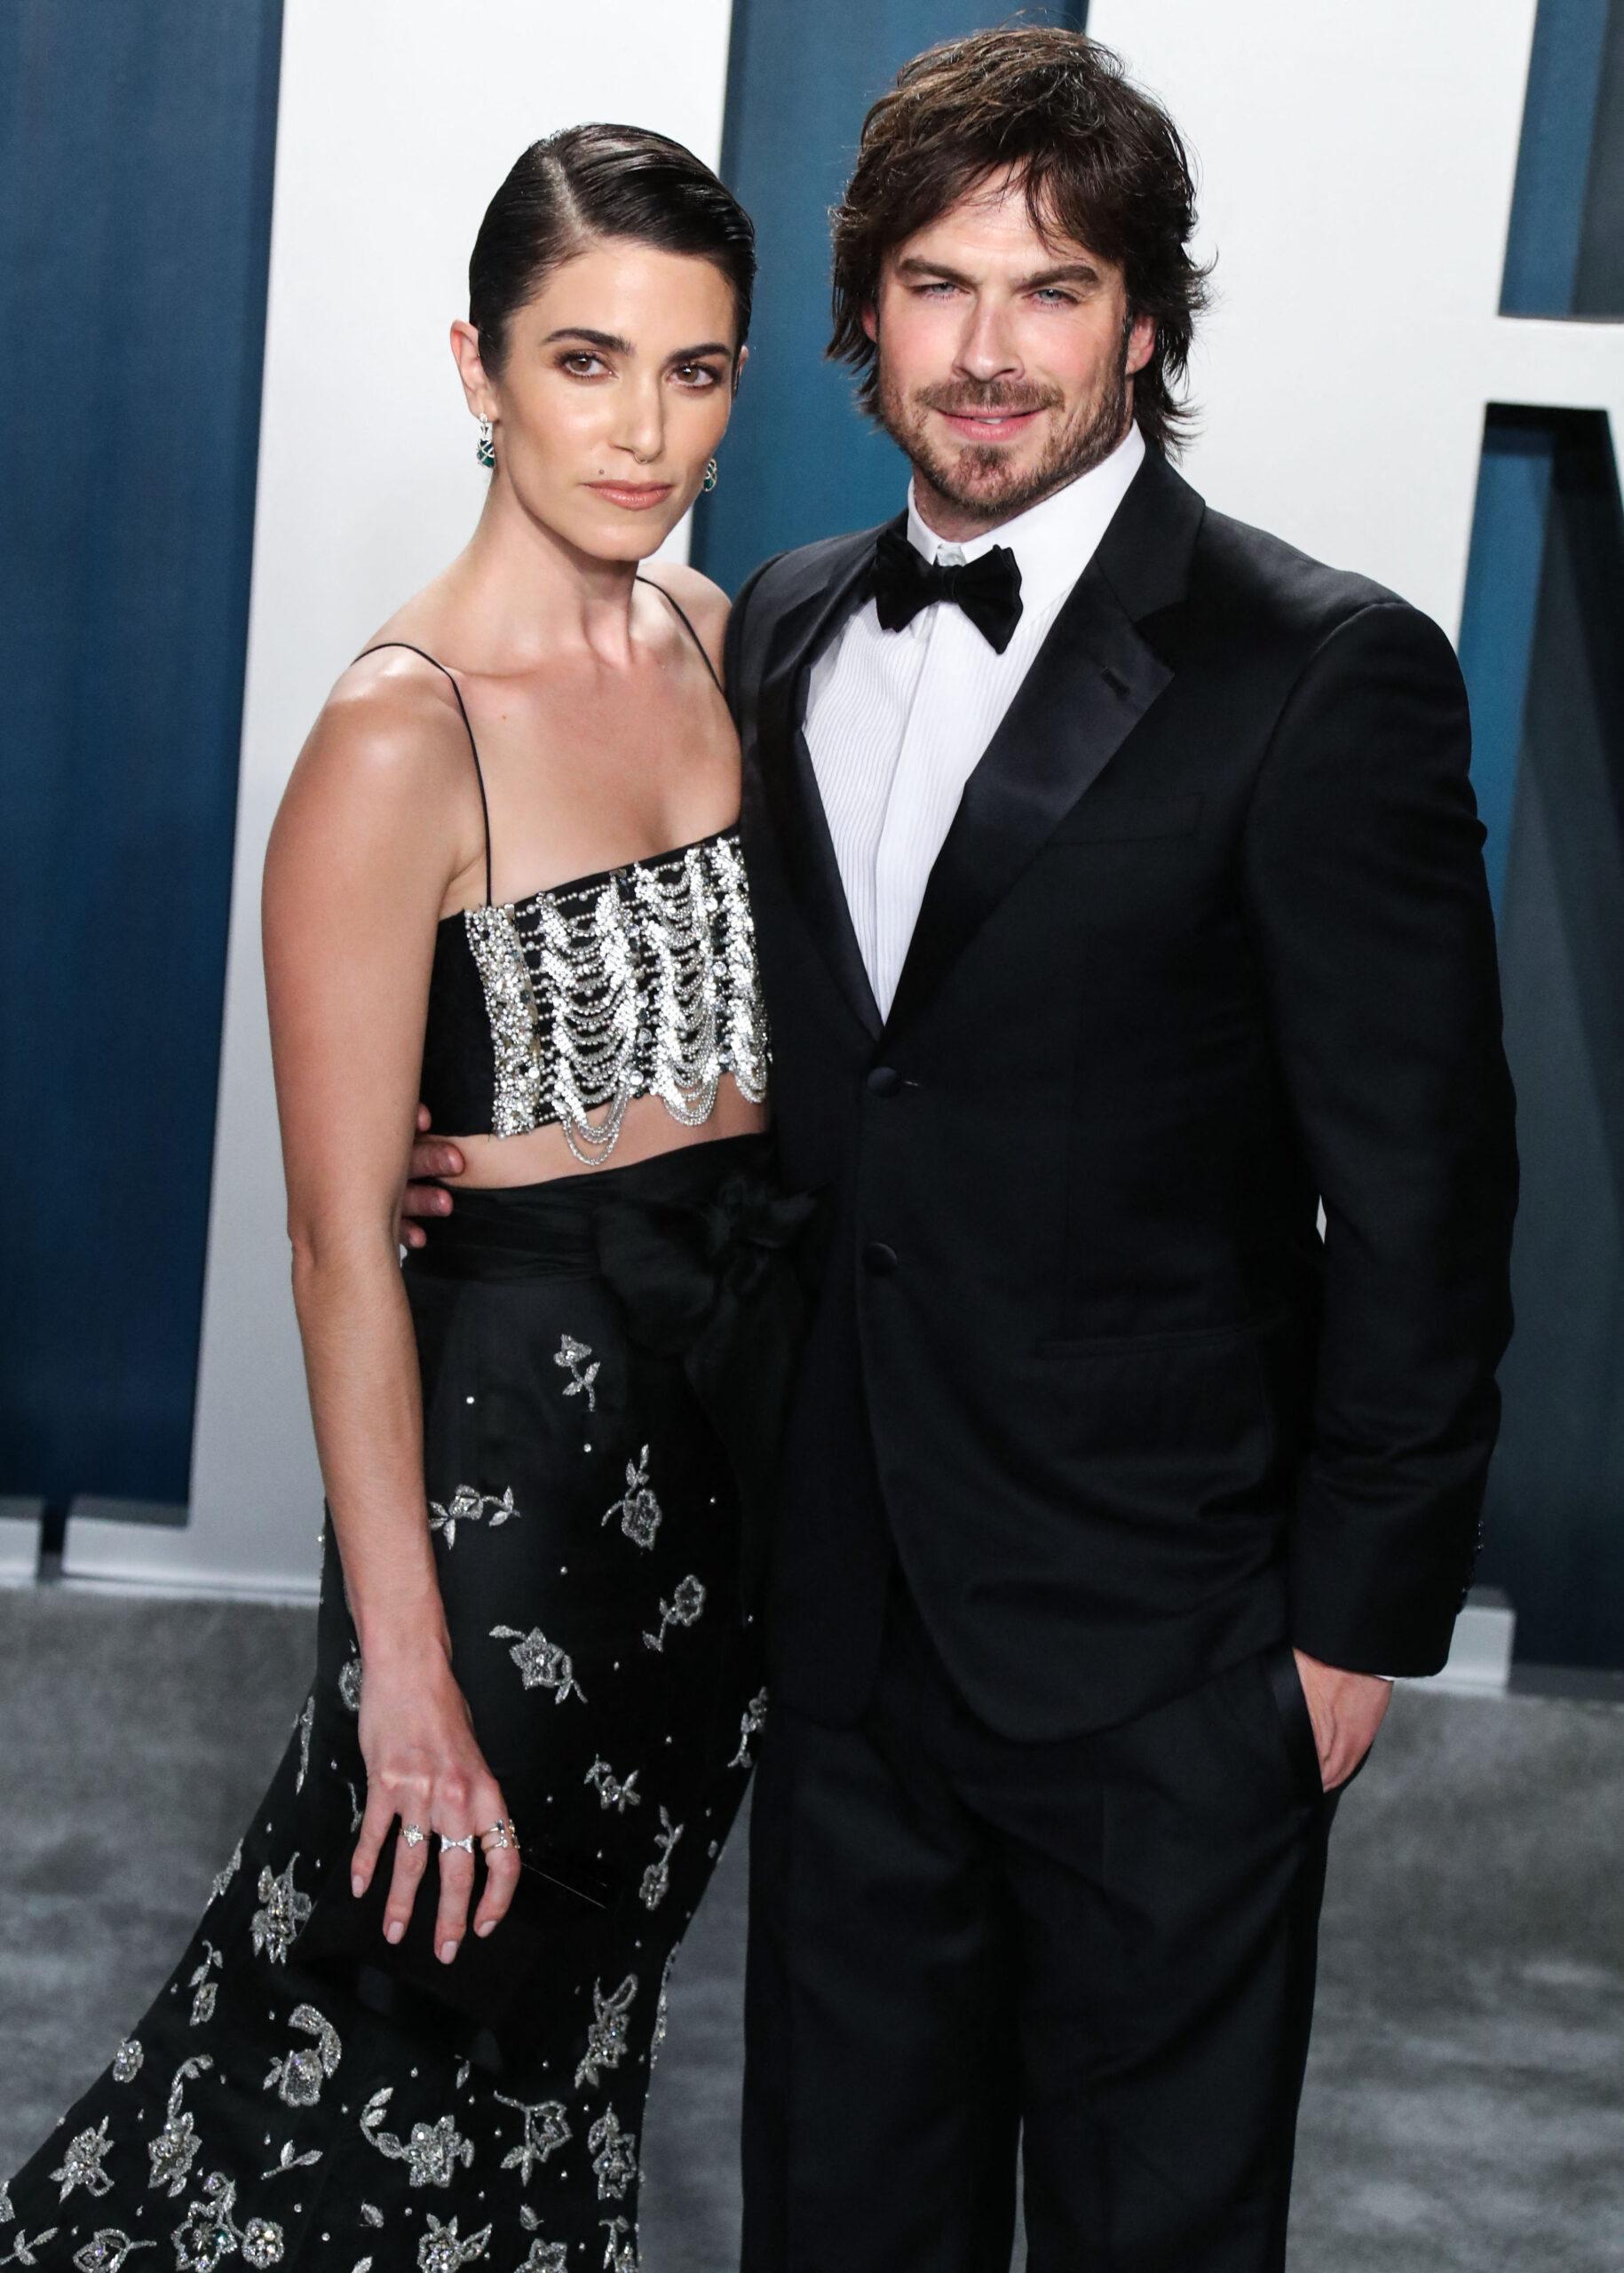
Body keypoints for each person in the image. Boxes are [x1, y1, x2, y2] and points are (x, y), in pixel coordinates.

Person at [727, 26, 1517, 2270]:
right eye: (938, 286)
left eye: (1052, 290)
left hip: (1173, 1655)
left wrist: (1347, 1635)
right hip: (857, 1625)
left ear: (1145, 324)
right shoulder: (780, 623)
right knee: (836, 2224)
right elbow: (799, 1094)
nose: (987, 356)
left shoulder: (1320, 669)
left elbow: (1431, 1188)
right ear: (864, 313)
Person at [2, 123, 788, 2273]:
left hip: (711, 1504)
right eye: (586, 360)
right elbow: (343, 1237)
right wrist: (405, 1675)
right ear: (480, 365)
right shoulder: (395, 733)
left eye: (696, 372)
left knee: (572, 2049)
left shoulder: (728, 638)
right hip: (505, 1494)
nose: (642, 430)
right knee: (381, 2040)